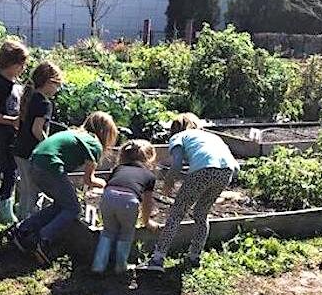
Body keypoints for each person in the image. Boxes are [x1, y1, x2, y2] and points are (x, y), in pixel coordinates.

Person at [137, 113, 239, 272]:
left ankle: (157, 258)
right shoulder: (212, 137)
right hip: (226, 172)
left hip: (203, 171)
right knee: (201, 213)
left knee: (177, 214)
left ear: (174, 129)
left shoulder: (179, 136)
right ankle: (194, 256)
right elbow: (234, 166)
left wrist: (168, 182)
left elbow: (176, 164)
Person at [13, 111, 118, 264]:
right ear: (105, 133)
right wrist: (106, 185)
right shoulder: (94, 144)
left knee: (61, 206)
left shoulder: (75, 133)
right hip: (49, 166)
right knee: (74, 209)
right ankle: (42, 240)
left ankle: (22, 230)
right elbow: (88, 180)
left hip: (34, 162)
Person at [92, 139, 159, 274]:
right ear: (148, 158)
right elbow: (147, 203)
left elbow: (109, 185)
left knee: (108, 231)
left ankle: (98, 266)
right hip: (129, 201)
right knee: (126, 234)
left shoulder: (118, 169)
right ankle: (120, 266)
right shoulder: (149, 176)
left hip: (108, 197)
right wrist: (146, 221)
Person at [0, 40, 29, 224]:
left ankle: (7, 205)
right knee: (10, 171)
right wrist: (11, 121)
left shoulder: (11, 82)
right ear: (12, 64)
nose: (23, 68)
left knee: (13, 171)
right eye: (22, 64)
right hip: (1, 137)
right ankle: (4, 211)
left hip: (10, 136)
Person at [13, 61, 63, 220]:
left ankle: (20, 224)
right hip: (31, 153)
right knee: (33, 192)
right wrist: (49, 146)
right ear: (48, 82)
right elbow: (37, 130)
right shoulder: (44, 103)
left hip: (20, 149)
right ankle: (27, 227)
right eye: (57, 85)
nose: (57, 89)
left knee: (26, 190)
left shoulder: (31, 96)